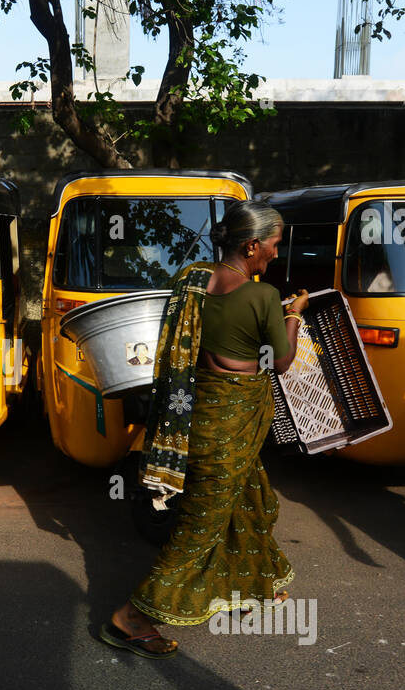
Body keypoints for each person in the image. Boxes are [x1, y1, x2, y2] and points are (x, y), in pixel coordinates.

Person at [99, 201, 309, 658]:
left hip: (201, 419)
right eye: (273, 245)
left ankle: (252, 588)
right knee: (201, 525)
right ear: (252, 245)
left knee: (248, 498)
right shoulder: (262, 297)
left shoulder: (191, 279)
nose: (276, 253)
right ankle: (130, 619)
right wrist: (295, 314)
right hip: (232, 421)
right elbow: (285, 360)